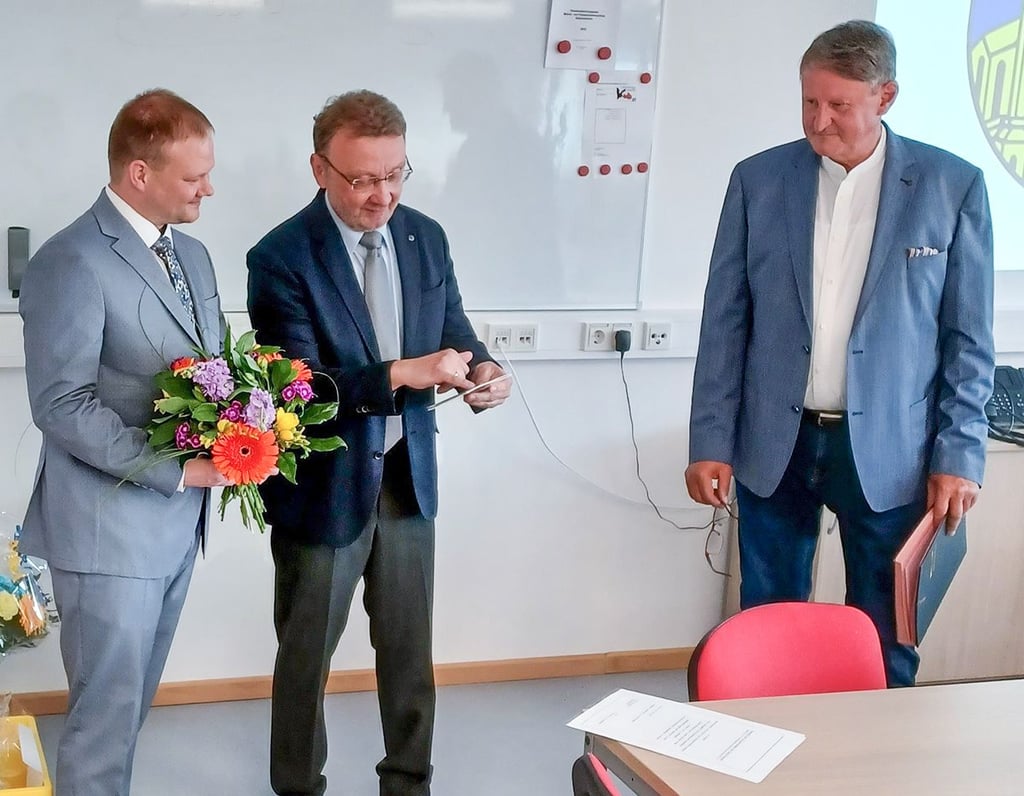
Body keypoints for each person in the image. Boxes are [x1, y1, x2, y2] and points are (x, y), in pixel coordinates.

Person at [685, 20, 994, 687]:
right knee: (768, 629)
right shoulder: (759, 180)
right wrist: (710, 438)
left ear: (885, 97)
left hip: (892, 453)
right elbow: (724, 323)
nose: (819, 121)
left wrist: (959, 455)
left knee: (884, 641)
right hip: (776, 444)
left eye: (838, 105)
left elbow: (969, 342)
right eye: (808, 102)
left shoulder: (953, 185)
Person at [247, 89, 511, 796]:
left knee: (409, 653)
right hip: (325, 484)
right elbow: (298, 387)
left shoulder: (426, 235)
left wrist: (484, 369)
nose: (382, 194)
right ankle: (299, 787)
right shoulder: (279, 257)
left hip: (407, 473)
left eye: (396, 174)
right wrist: (400, 373)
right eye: (362, 178)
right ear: (320, 169)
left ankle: (409, 782)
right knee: (306, 658)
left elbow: (455, 328)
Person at [18, 89, 232, 796]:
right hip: (109, 531)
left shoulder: (194, 256)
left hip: (175, 529)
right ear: (139, 174)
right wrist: (178, 472)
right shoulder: (70, 260)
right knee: (103, 724)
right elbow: (63, 404)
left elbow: (207, 372)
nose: (209, 187)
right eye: (193, 176)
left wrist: (246, 431)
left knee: (130, 712)